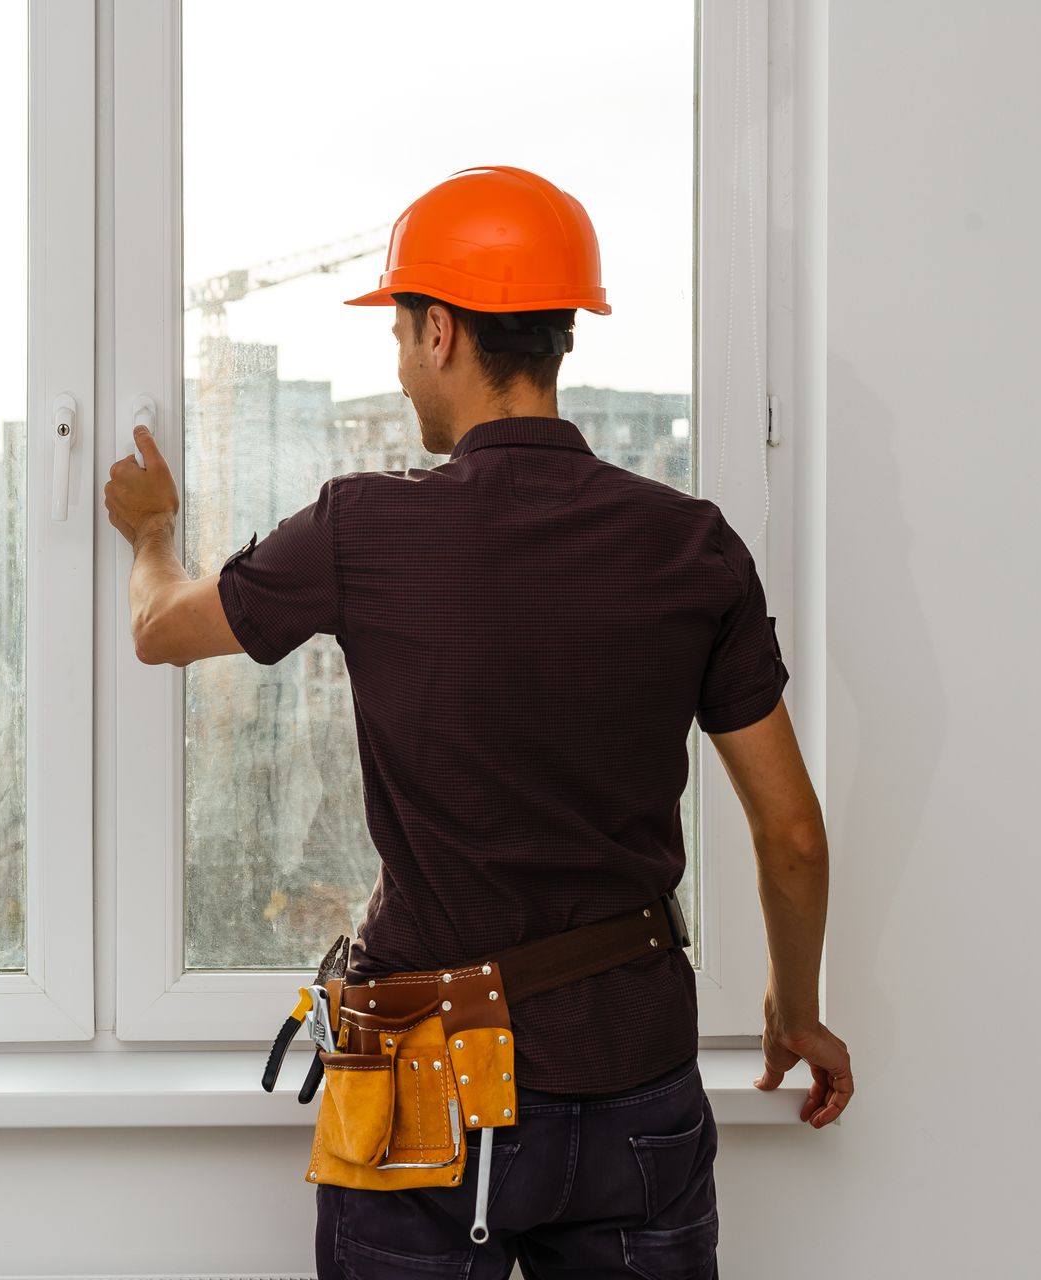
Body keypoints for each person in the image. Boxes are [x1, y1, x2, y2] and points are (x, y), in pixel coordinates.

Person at [102, 164, 851, 1279]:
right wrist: (795, 1003)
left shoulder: (365, 526)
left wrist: (153, 533)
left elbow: (161, 628)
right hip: (631, 1069)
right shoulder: (692, 545)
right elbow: (790, 832)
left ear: (442, 331)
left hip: (424, 1071)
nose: (399, 365)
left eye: (401, 333)